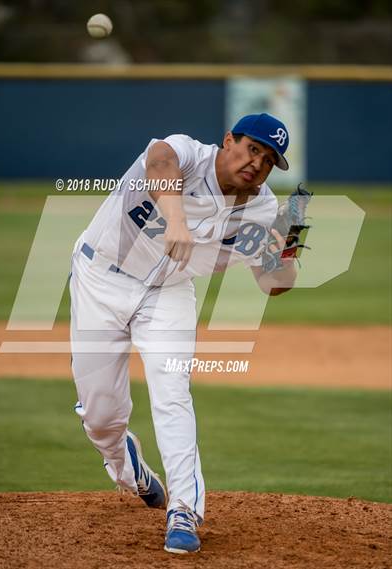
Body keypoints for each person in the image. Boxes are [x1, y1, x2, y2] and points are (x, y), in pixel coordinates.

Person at [69, 113, 297, 554]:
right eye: (252, 149)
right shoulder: (187, 153)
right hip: (101, 278)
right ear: (228, 140)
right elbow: (159, 163)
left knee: (172, 393)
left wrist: (286, 243)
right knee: (101, 418)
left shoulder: (264, 209)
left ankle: (184, 511)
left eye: (268, 160)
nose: (256, 163)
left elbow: (275, 286)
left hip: (168, 295)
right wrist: (175, 219)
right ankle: (125, 466)